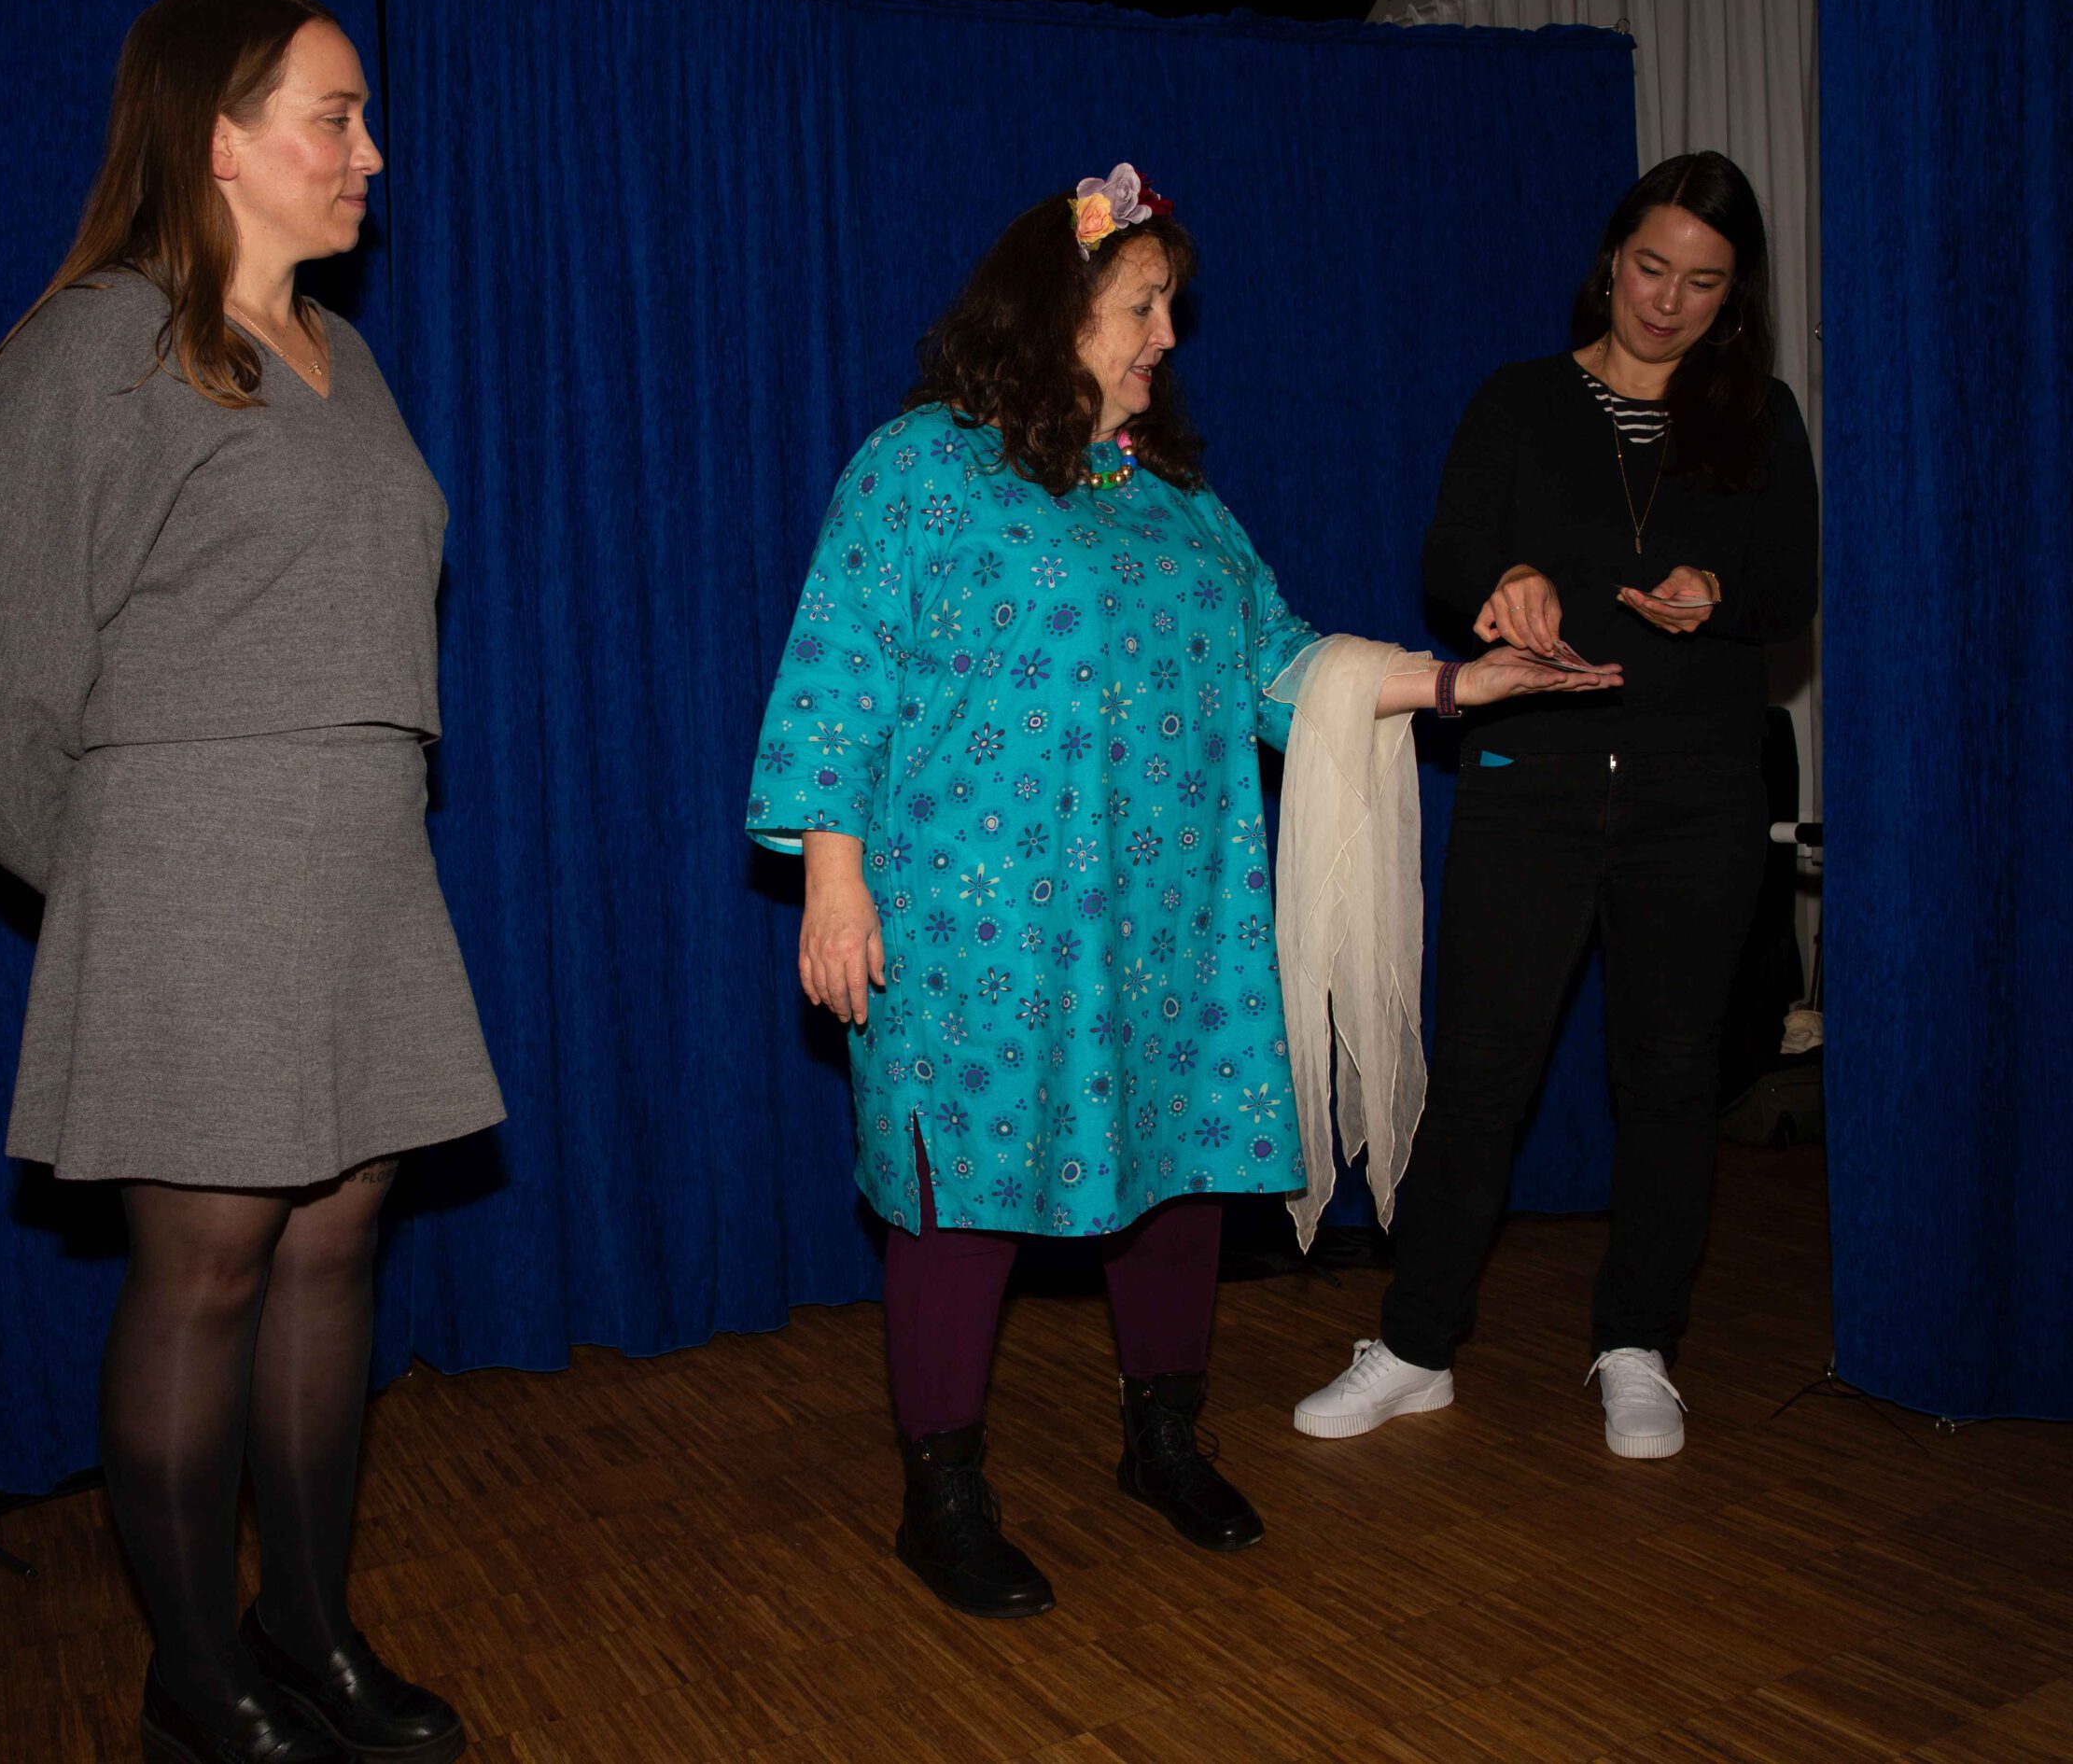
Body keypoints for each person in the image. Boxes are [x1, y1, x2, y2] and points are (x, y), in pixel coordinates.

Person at [746, 166, 1617, 1617]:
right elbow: (840, 673)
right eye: (1144, 305)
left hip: (1171, 918)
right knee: (960, 1196)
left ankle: (1163, 1439)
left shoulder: (1178, 505)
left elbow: (1286, 666)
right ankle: (941, 1493)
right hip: (972, 926)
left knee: (1181, 1170)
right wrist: (834, 882)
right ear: (1057, 307)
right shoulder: (920, 467)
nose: (1167, 335)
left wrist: (1463, 685)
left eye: (1169, 308)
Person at [0, 0, 496, 1764]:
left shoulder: (345, 356)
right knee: (211, 1269)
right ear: (219, 138)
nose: (369, 152)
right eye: (335, 115)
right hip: (192, 868)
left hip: (363, 858)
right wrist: (113, 877)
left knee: (336, 1245)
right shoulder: (97, 346)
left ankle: (306, 1629)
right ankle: (194, 1677)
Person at [1293, 151, 1819, 1461]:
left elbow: (1789, 589)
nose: (1668, 301)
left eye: (1703, 282)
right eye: (1651, 268)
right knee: (1482, 1072)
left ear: (1735, 293)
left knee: (1671, 1076)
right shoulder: (1521, 400)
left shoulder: (1762, 418)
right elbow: (1448, 556)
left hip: (1699, 791)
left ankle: (1637, 1345)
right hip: (1531, 782)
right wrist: (1506, 576)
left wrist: (1718, 593)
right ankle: (1417, 1345)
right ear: (1611, 260)